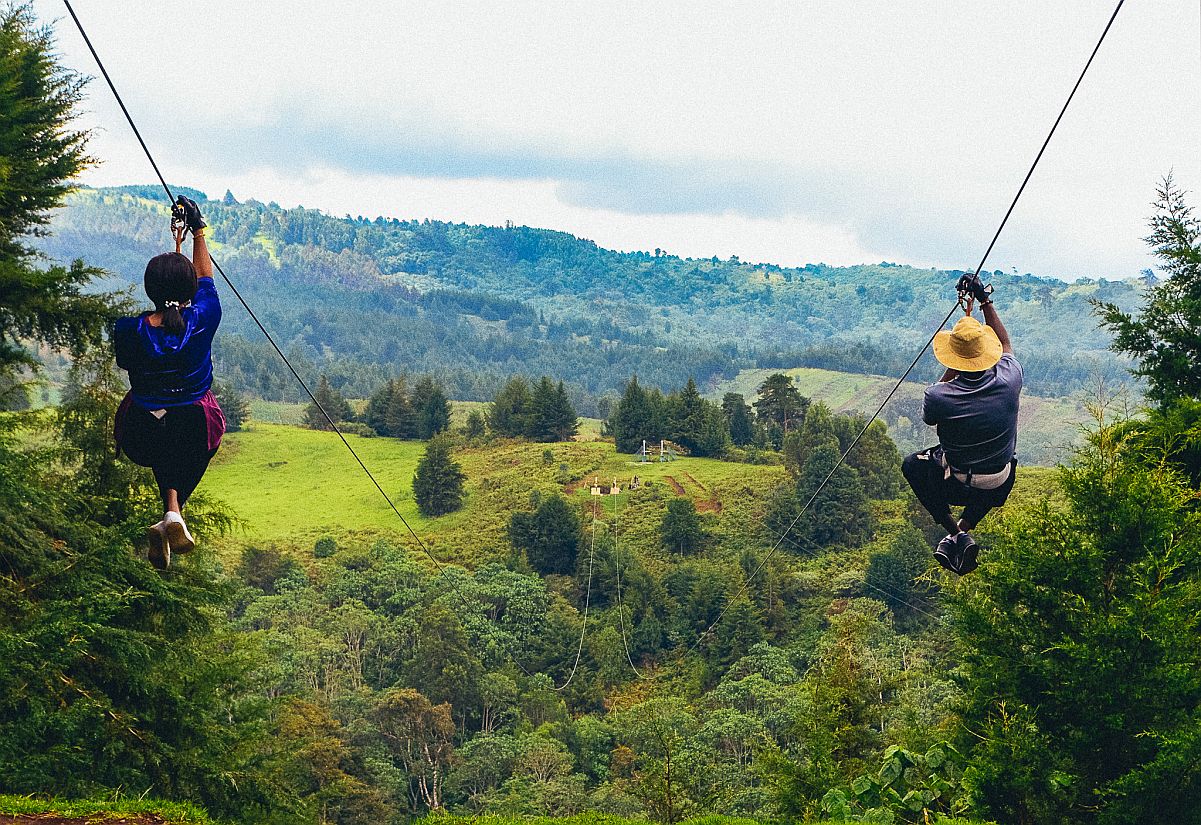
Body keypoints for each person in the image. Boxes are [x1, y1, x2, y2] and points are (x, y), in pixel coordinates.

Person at [113, 196, 225, 569]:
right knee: (194, 434)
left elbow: (127, 362)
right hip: (193, 426)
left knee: (164, 438)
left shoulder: (128, 331)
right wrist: (198, 231)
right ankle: (173, 511)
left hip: (140, 430)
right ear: (189, 289)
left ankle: (171, 512)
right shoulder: (203, 319)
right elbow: (206, 281)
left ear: (149, 289)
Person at [901, 273, 1022, 575]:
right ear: (986, 352)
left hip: (957, 483)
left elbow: (929, 417)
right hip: (999, 480)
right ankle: (962, 532)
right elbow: (1005, 342)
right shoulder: (1009, 380)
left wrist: (954, 365)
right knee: (997, 468)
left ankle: (954, 532)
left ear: (954, 357)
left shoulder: (940, 395)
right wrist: (984, 300)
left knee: (912, 464)